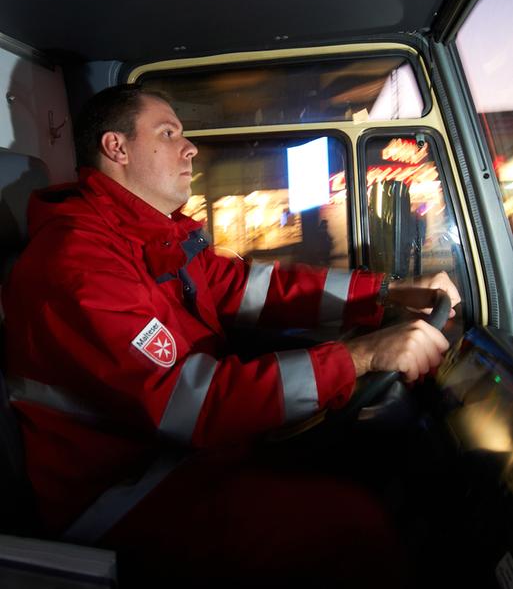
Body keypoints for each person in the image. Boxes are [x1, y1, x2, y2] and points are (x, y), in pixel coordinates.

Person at [2, 85, 460, 586]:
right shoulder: (76, 263)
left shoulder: (152, 237)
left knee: (359, 470)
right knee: (351, 526)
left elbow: (252, 288)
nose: (190, 146)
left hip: (181, 459)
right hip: (123, 492)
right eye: (169, 132)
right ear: (117, 148)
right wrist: (357, 358)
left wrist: (386, 292)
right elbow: (188, 403)